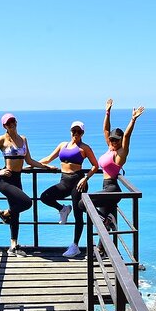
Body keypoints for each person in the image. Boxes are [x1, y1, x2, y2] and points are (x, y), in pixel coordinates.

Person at [75, 99, 145, 257]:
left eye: (116, 140)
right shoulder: (110, 146)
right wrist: (107, 111)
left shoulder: (121, 153)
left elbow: (127, 136)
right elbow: (106, 130)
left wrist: (132, 119)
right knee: (104, 225)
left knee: (82, 203)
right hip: (107, 187)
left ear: (120, 142)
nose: (112, 141)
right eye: (112, 139)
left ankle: (108, 219)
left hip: (112, 188)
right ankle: (101, 248)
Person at [0, 113, 51, 257]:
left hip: (17, 179)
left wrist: (46, 167)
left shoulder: (23, 139)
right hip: (5, 181)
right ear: (4, 126)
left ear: (16, 122)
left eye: (13, 121)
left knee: (17, 213)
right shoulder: (2, 140)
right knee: (27, 203)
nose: (11, 124)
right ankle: (5, 213)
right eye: (8, 123)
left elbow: (29, 161)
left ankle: (13, 246)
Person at [38, 121, 99, 258]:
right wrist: (33, 166)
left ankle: (75, 246)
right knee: (45, 196)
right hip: (64, 182)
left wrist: (86, 178)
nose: (76, 134)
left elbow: (95, 166)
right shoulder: (62, 145)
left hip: (78, 182)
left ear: (82, 133)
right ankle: (63, 209)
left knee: (78, 214)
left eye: (79, 132)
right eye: (74, 131)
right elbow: (48, 159)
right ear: (70, 131)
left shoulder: (85, 148)